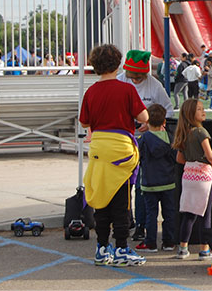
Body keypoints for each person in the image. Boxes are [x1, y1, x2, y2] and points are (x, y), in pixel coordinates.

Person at [79, 44, 148, 266]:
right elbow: (144, 116)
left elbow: (84, 122)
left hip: (99, 147)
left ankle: (101, 247)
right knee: (121, 201)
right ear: (118, 63)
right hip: (121, 150)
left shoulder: (91, 91)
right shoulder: (126, 90)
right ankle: (121, 248)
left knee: (101, 198)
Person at [117, 49, 174, 242]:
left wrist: (151, 125)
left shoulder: (154, 86)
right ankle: (126, 219)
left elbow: (169, 110)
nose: (135, 81)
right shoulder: (120, 81)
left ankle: (140, 224)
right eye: (132, 77)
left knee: (142, 185)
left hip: (146, 141)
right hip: (123, 138)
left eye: (139, 77)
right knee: (124, 184)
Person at [172, 99, 212, 260]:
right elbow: (210, 155)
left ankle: (183, 248)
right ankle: (204, 249)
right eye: (199, 109)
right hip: (203, 176)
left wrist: (191, 162)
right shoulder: (201, 132)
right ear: (192, 114)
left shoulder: (184, 133)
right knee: (206, 213)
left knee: (189, 213)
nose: (203, 111)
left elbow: (179, 158)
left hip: (188, 175)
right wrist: (211, 162)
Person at [136, 104, 177, 253]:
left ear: (147, 122)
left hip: (149, 182)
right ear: (164, 122)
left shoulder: (144, 139)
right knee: (169, 214)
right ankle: (169, 241)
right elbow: (175, 157)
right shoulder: (170, 137)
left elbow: (137, 157)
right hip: (168, 181)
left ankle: (150, 242)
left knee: (151, 214)